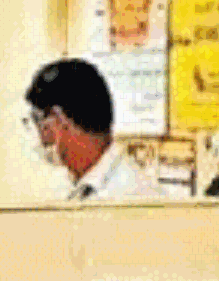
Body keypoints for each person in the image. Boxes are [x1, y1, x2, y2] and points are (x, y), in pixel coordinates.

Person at [23, 59, 161, 200]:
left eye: (37, 119)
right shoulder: (73, 182)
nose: (40, 133)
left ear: (59, 119)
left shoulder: (134, 196)